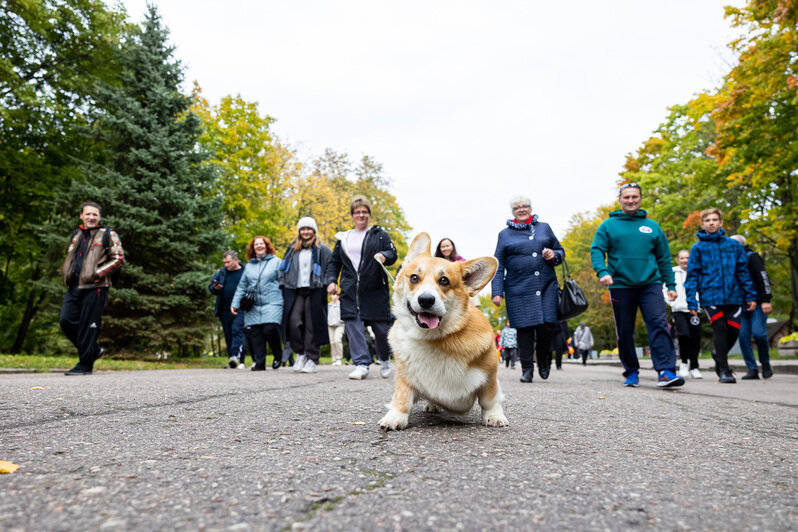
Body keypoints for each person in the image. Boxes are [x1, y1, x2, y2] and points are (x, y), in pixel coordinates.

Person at [590, 182, 684, 388]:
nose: (631, 200)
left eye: (634, 197)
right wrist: (602, 272)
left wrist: (671, 285)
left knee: (659, 324)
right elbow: (596, 250)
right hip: (620, 285)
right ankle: (631, 371)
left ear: (640, 199)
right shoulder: (608, 226)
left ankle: (666, 371)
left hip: (650, 284)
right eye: (627, 197)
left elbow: (664, 258)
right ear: (620, 199)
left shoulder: (653, 227)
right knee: (624, 330)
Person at [492, 196, 564, 383]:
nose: (522, 209)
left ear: (531, 208)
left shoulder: (544, 228)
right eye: (517, 207)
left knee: (547, 325)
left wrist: (553, 254)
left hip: (546, 285)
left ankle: (543, 359)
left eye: (525, 206)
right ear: (512, 211)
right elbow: (498, 264)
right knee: (524, 329)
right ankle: (526, 369)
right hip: (518, 287)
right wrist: (497, 292)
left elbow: (560, 251)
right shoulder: (504, 234)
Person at [325, 195, 397, 380]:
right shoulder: (343, 238)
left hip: (374, 289)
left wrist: (383, 255)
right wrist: (332, 280)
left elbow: (392, 253)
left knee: (382, 330)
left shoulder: (379, 234)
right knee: (353, 327)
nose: (361, 215)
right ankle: (362, 364)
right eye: (357, 212)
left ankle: (384, 357)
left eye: (364, 212)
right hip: (350, 290)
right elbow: (334, 263)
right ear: (352, 215)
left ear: (369, 214)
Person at [683, 209, 756, 384]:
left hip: (733, 295)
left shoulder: (733, 246)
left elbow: (743, 272)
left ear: (721, 223)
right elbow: (692, 276)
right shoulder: (698, 248)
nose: (711, 223)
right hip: (710, 295)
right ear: (702, 224)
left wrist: (750, 295)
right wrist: (692, 301)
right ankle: (724, 370)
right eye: (707, 220)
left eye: (715, 220)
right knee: (720, 328)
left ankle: (718, 354)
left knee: (733, 330)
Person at [59, 202, 125, 375]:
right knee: (65, 321)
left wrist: (97, 273)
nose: (91, 217)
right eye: (88, 214)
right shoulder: (77, 234)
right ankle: (93, 351)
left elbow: (118, 258)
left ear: (99, 217)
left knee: (89, 326)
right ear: (81, 216)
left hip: (96, 286)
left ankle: (85, 365)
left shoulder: (108, 234)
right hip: (75, 286)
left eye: (95, 214)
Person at [279, 217, 331, 374]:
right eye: (303, 229)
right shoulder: (292, 249)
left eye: (309, 229)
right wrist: (282, 283)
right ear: (299, 231)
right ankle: (300, 353)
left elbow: (331, 268)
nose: (306, 232)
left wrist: (328, 283)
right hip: (295, 290)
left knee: (312, 324)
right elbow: (283, 269)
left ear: (314, 231)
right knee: (293, 322)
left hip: (315, 289)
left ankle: (312, 358)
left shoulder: (323, 249)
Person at [231, 236, 283, 371]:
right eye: (256, 244)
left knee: (270, 328)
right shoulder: (248, 266)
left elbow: (284, 281)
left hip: (272, 301)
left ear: (267, 246)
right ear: (253, 248)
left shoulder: (276, 262)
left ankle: (278, 355)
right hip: (253, 304)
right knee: (255, 333)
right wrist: (235, 303)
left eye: (261, 244)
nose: (259, 246)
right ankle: (260, 362)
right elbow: (242, 286)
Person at [730, 235, 774, 379]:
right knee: (743, 337)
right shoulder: (730, 261)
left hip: (759, 303)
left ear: (742, 245)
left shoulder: (752, 257)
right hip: (740, 305)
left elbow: (763, 278)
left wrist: (766, 299)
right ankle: (752, 369)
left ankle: (765, 364)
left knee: (759, 334)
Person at [664, 249, 702, 379]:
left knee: (695, 338)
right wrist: (673, 304)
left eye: (687, 258)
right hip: (679, 310)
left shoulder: (697, 272)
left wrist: (699, 305)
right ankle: (684, 363)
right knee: (684, 335)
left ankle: (695, 366)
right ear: (678, 260)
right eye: (682, 258)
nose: (685, 260)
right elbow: (665, 290)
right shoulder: (673, 272)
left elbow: (702, 289)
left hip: (694, 310)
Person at [209, 250, 247, 369]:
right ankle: (232, 359)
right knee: (228, 333)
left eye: (228, 262)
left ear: (236, 260)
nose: (226, 265)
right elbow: (211, 287)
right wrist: (215, 288)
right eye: (224, 262)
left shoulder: (245, 271)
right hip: (224, 309)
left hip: (241, 308)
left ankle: (236, 356)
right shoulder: (222, 272)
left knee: (237, 330)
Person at [328, 292, 345, 366]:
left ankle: (339, 358)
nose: (333, 296)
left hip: (339, 325)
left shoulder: (341, 304)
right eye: (332, 295)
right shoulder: (329, 305)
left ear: (338, 296)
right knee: (332, 342)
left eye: (335, 295)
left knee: (337, 340)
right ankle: (334, 359)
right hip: (331, 325)